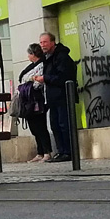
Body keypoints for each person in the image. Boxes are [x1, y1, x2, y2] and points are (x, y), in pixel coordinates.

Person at [35, 33, 78, 162]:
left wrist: (45, 78)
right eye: (41, 42)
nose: (43, 45)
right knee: (55, 125)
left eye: (45, 42)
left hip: (62, 96)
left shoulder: (62, 57)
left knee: (64, 124)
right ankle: (61, 151)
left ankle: (68, 151)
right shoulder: (48, 58)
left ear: (53, 42)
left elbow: (63, 77)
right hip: (52, 98)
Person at [17, 44, 54, 162]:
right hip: (29, 100)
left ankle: (47, 151)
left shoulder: (42, 65)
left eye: (29, 54)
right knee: (34, 127)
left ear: (33, 54)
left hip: (38, 99)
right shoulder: (31, 67)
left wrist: (30, 81)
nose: (28, 56)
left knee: (40, 126)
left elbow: (38, 81)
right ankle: (40, 152)